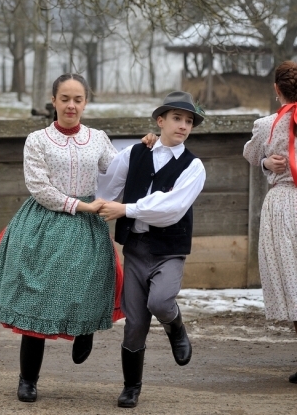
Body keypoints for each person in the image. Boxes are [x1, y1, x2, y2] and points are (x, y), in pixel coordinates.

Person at [0, 73, 118, 403]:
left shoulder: (98, 138)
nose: (71, 105)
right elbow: (39, 187)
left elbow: (117, 171)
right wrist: (81, 205)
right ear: (54, 101)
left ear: (85, 102)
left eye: (78, 99)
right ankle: (28, 379)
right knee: (38, 295)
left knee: (87, 283)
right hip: (46, 222)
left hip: (88, 226)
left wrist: (145, 149)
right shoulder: (38, 140)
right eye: (65, 99)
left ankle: (84, 329)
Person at [98, 90, 206, 408]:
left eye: (189, 121)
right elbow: (105, 186)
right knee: (135, 323)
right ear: (160, 121)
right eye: (177, 118)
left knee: (160, 301)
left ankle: (174, 325)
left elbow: (170, 208)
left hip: (168, 250)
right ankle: (131, 387)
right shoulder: (135, 153)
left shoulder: (194, 166)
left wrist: (125, 209)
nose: (183, 125)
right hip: (135, 248)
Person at [242, 61, 297, 385]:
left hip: (284, 204)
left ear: (276, 89)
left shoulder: (267, 125)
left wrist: (265, 161)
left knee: (294, 284)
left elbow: (249, 154)